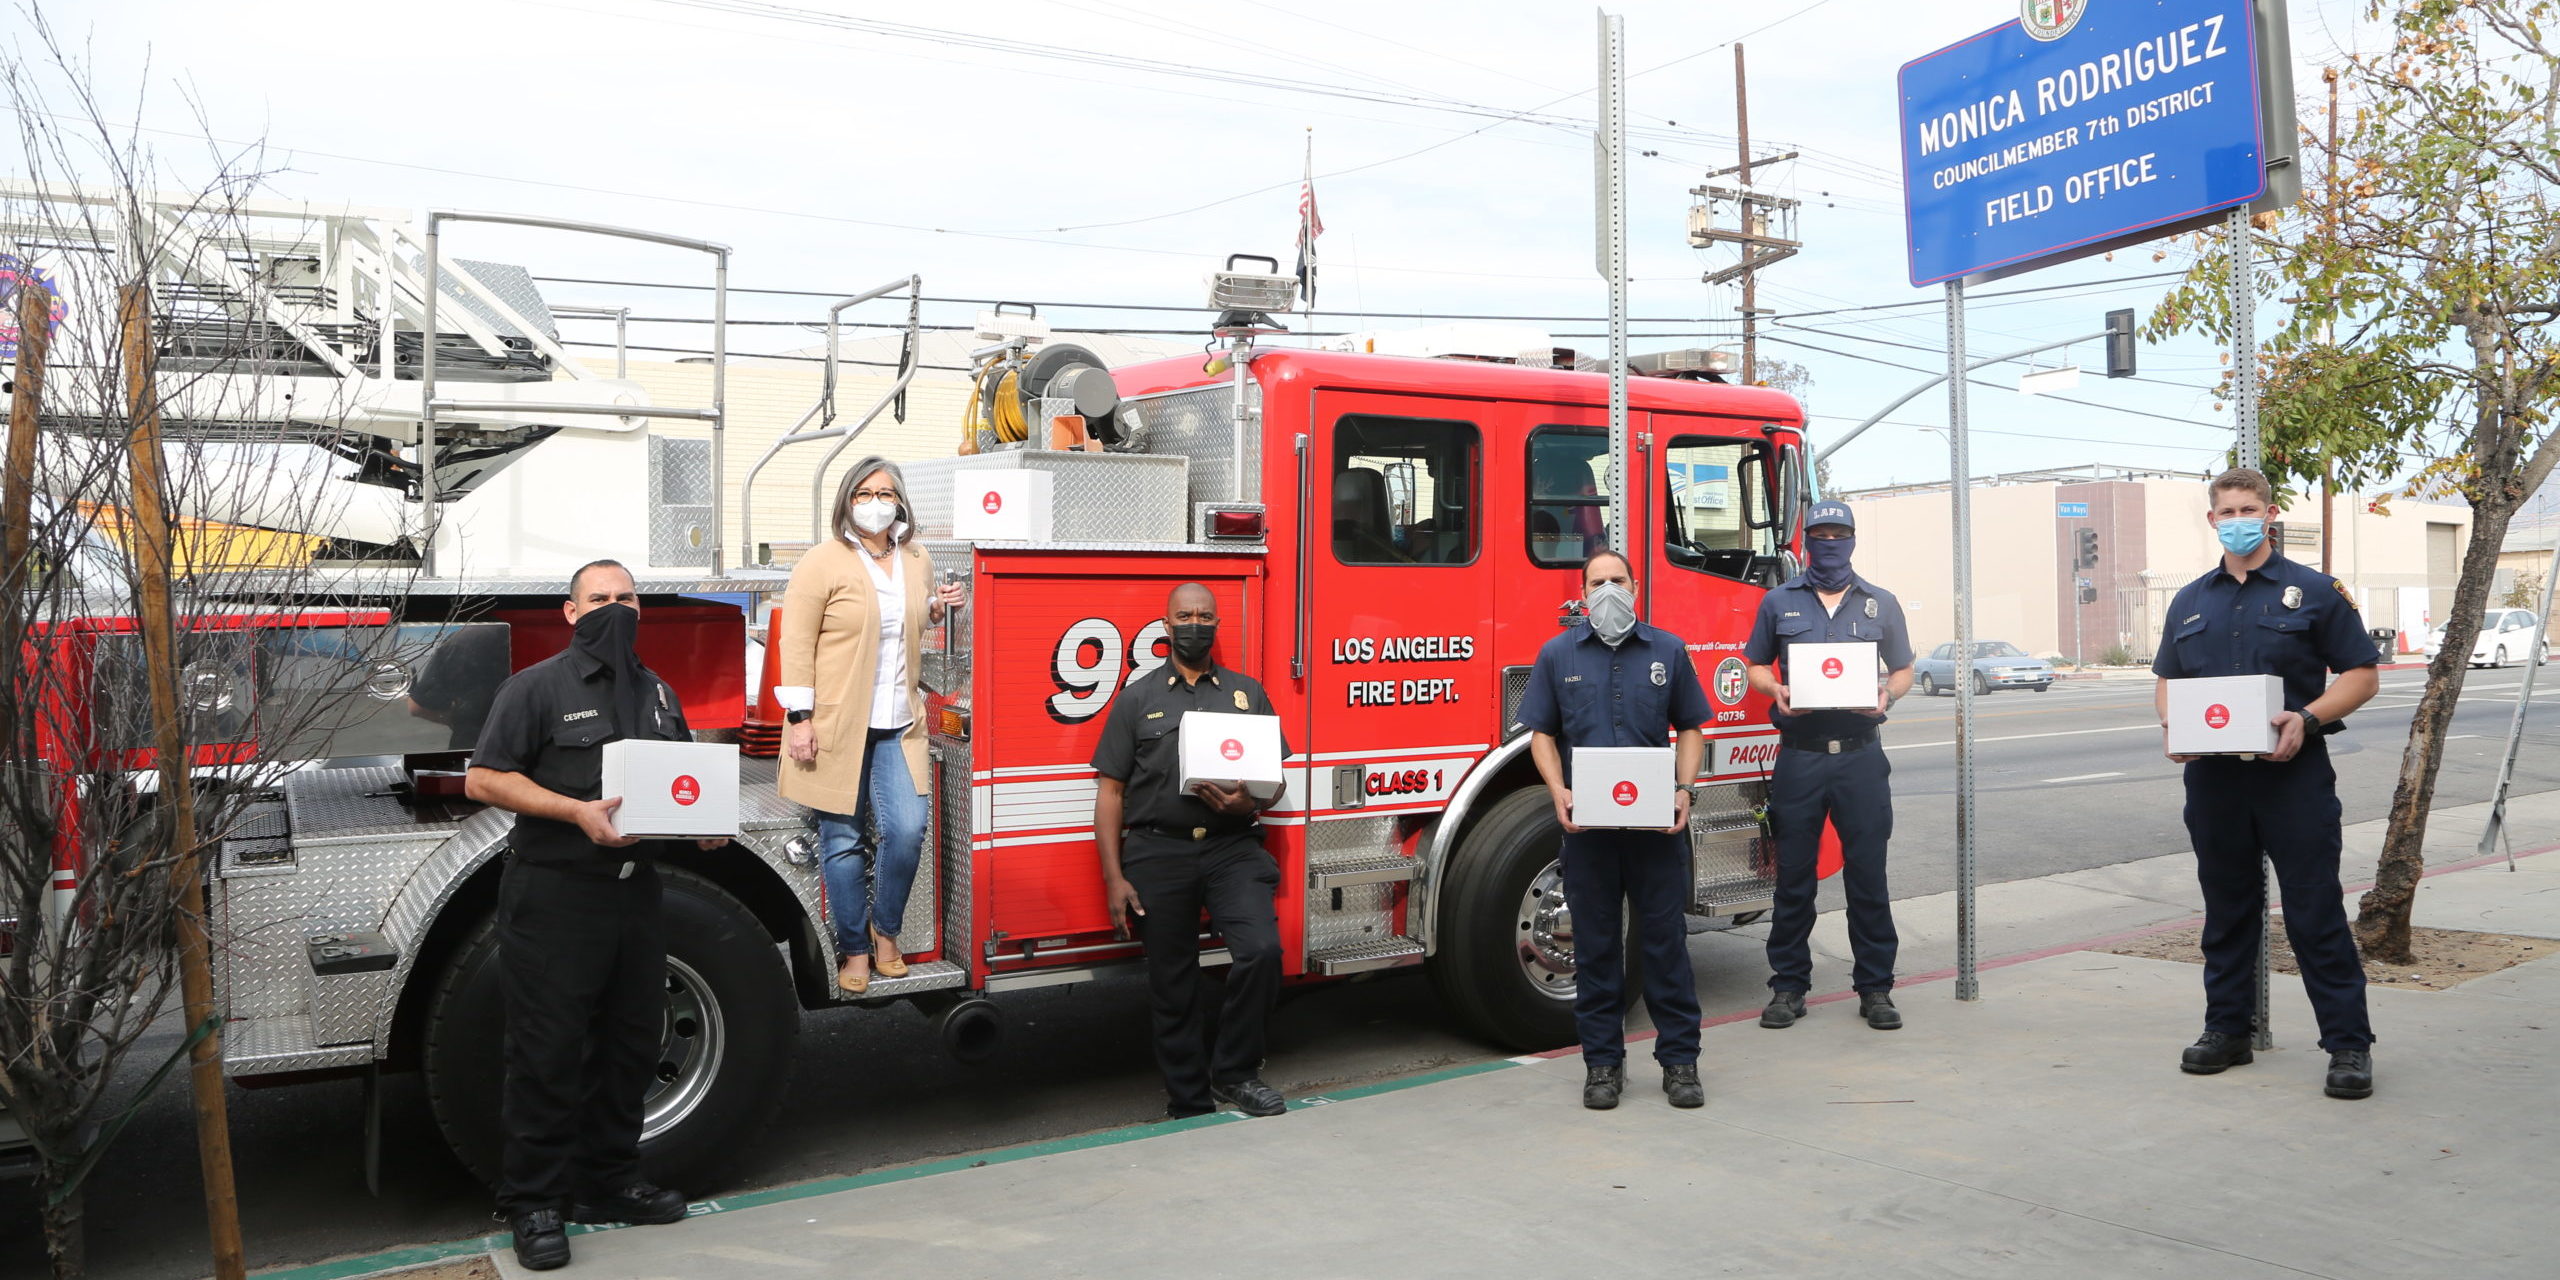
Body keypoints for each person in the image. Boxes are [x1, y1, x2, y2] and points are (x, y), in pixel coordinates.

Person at [464, 560, 729, 1272]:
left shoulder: (659, 694)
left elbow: (678, 784)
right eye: (601, 600)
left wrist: (706, 822)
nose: (617, 609)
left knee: (631, 1044)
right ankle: (534, 1203)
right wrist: (573, 811)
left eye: (627, 599)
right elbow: (483, 776)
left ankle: (608, 1182)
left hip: (635, 893)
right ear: (571, 613)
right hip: (555, 894)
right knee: (547, 1053)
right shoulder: (536, 688)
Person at [2152, 466, 2381, 1099]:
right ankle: (2227, 1030)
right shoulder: (2190, 600)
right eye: (2227, 512)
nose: (2238, 520)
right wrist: (2175, 727)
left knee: (2313, 910)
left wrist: (2307, 719)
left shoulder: (2315, 591)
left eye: (2249, 508)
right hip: (2214, 780)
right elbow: (2168, 678)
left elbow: (2361, 675)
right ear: (2212, 519)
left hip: (2293, 776)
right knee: (2227, 909)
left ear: (2272, 513)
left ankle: (2348, 1045)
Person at [1516, 548, 1712, 1110]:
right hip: (1590, 835)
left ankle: (1680, 1062)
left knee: (1665, 946)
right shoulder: (1558, 654)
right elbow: (1542, 735)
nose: (1607, 590)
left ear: (1636, 587)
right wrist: (1558, 790)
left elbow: (1693, 726)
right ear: (1581, 594)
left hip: (1655, 832)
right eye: (1596, 582)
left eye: (1616, 581)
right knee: (1597, 949)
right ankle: (1602, 1065)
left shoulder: (1668, 651)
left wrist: (1684, 789)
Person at [1091, 582, 1290, 1120]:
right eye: (1185, 615)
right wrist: (1113, 877)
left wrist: (1245, 799)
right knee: (1172, 980)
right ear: (1166, 624)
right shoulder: (1137, 698)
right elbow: (1110, 793)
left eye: (1204, 615)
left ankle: (1235, 1073)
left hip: (1232, 847)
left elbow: (1275, 783)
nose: (1194, 623)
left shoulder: (1247, 694)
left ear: (1217, 624)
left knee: (1262, 953)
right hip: (1158, 852)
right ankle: (1188, 1099)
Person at [773, 457, 964, 995]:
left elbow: (908, 618)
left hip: (899, 723)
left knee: (906, 830)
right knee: (842, 838)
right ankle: (857, 949)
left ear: (900, 501)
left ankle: (887, 930)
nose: (874, 501)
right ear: (846, 501)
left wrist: (935, 604)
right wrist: (799, 718)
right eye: (863, 492)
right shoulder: (822, 560)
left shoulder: (916, 557)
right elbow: (796, 642)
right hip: (836, 723)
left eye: (884, 492)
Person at [1744, 499, 1915, 1032]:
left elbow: (1904, 668)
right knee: (1793, 878)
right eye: (1821, 533)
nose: (1830, 542)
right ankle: (1788, 986)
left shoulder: (1880, 603)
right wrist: (1776, 687)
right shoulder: (1779, 602)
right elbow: (1753, 665)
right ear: (1807, 541)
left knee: (1868, 875)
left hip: (1861, 757)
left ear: (1853, 539)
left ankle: (1876, 988)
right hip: (1800, 758)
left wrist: (1887, 694)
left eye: (1839, 532)